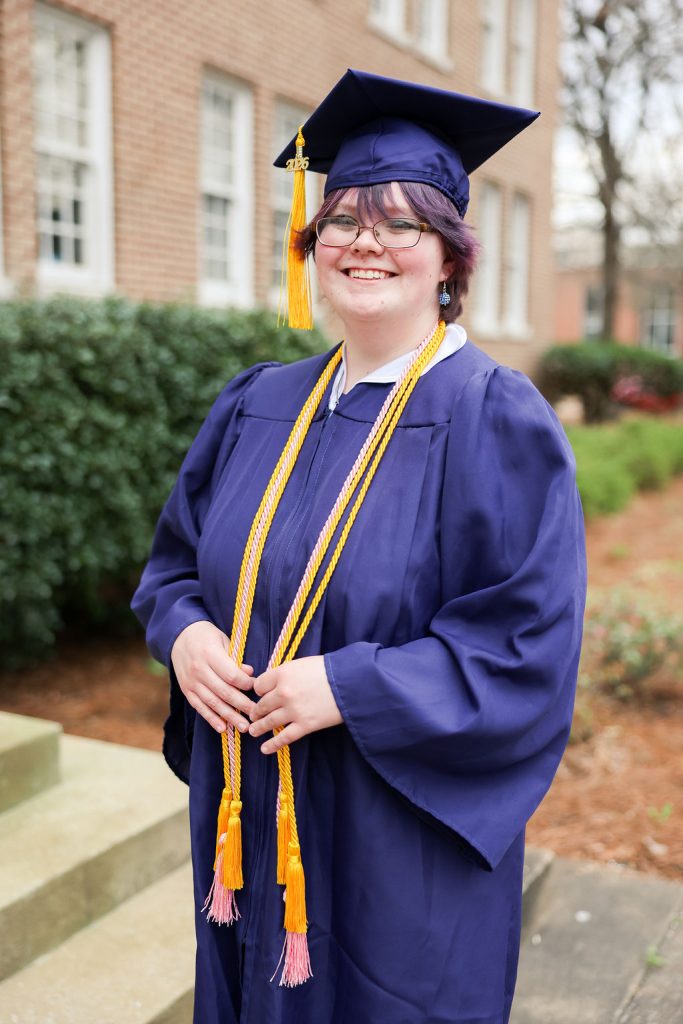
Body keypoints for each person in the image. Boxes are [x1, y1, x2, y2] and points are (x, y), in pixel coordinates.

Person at [131, 69, 586, 1024]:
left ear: (449, 257)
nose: (365, 242)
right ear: (312, 244)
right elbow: (174, 568)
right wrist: (185, 635)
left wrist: (351, 686)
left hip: (396, 841)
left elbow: (522, 647)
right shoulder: (258, 402)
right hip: (248, 816)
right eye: (341, 219)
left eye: (401, 223)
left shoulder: (492, 417)